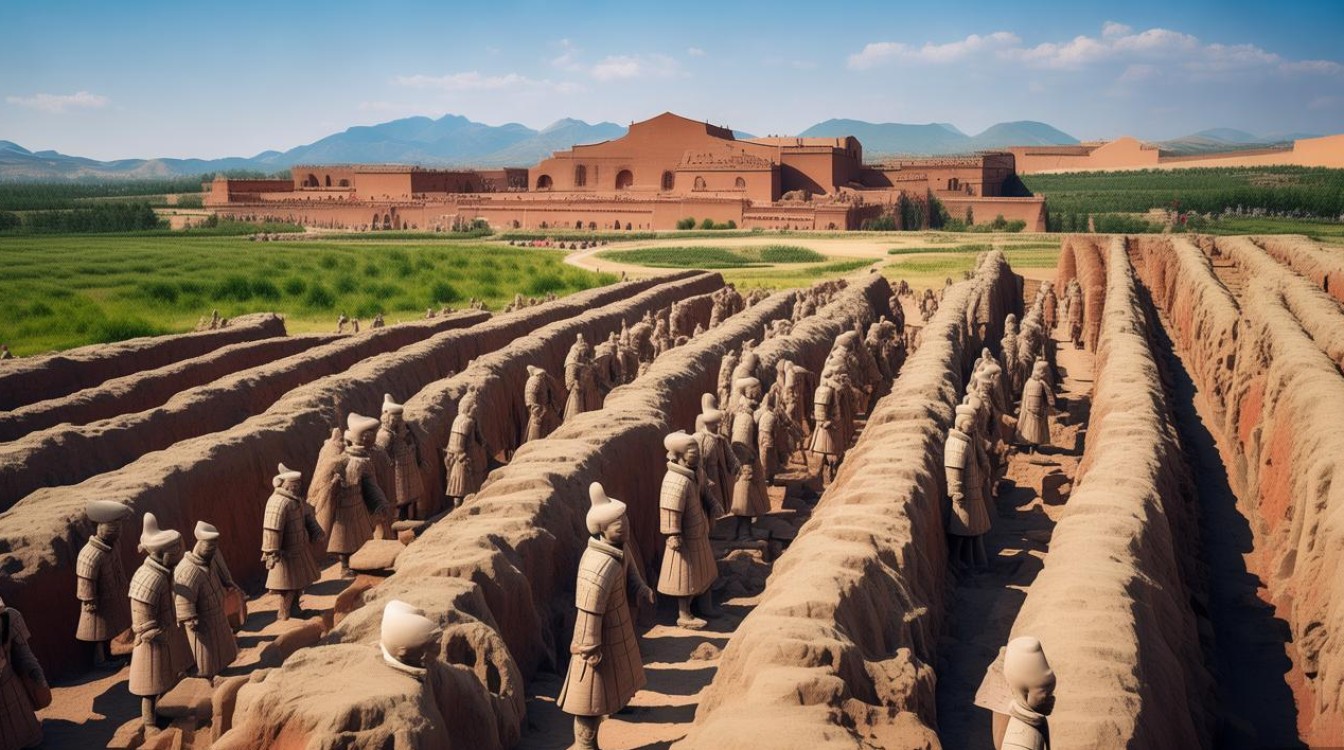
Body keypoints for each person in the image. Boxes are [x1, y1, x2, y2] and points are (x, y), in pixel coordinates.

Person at [557, 483, 651, 750]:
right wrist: (588, 646)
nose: (625, 527)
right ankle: (584, 744)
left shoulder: (620, 550)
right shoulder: (598, 564)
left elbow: (631, 574)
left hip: (616, 628)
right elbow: (589, 610)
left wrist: (641, 589)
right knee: (589, 696)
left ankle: (617, 706)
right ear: (602, 529)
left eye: (625, 521)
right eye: (619, 525)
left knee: (617, 678)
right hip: (595, 640)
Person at [129, 514, 192, 732]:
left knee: (166, 680)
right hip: (152, 642)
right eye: (174, 553)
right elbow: (142, 620)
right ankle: (149, 724)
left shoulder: (163, 574)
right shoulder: (149, 578)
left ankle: (164, 713)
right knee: (151, 686)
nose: (178, 557)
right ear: (162, 554)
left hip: (166, 636)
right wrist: (157, 634)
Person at [312, 413, 390, 576]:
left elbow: (369, 484)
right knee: (344, 539)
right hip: (343, 506)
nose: (373, 440)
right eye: (369, 437)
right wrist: (335, 484)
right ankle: (345, 566)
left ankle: (358, 563)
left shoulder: (364, 459)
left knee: (359, 536)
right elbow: (326, 482)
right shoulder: (340, 461)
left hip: (358, 503)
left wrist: (379, 502)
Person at [657, 432, 719, 629]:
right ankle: (684, 614)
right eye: (691, 453)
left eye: (696, 451)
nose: (696, 455)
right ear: (677, 455)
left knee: (706, 571)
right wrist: (673, 533)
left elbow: (705, 492)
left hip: (699, 532)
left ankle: (706, 606)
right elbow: (670, 509)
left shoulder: (697, 472)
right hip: (684, 538)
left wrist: (713, 504)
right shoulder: (674, 480)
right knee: (684, 576)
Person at [173, 522, 239, 678]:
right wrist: (189, 617)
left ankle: (222, 671)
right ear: (199, 544)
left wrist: (228, 584)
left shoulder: (209, 561)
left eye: (214, 546)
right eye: (209, 546)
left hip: (217, 614)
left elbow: (221, 575)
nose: (212, 549)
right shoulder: (188, 569)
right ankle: (207, 678)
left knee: (222, 652)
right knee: (206, 658)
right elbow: (184, 596)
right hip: (202, 623)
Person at [76, 500, 135, 667]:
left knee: (108, 630)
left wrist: (122, 584)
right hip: (96, 601)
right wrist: (89, 599)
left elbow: (118, 567)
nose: (118, 533)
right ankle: (99, 660)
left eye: (119, 529)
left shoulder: (114, 545)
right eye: (113, 529)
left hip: (111, 596)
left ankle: (108, 655)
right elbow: (85, 579)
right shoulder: (90, 554)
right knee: (96, 632)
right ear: (100, 528)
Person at [262, 463, 324, 621]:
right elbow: (272, 528)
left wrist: (316, 531)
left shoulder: (297, 501)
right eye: (293, 485)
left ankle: (295, 610)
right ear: (284, 484)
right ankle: (283, 613)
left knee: (299, 584)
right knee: (288, 586)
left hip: (300, 549)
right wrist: (271, 551)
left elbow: (308, 517)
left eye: (298, 485)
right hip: (285, 554)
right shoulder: (278, 502)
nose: (297, 488)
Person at [0, 594, 47, 750]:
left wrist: (37, 679)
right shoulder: (10, 617)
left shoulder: (9, 618)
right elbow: (26, 660)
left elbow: (26, 660)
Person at [377, 394, 424, 521]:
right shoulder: (384, 436)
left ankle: (410, 519)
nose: (399, 422)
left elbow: (414, 442)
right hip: (396, 472)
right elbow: (381, 456)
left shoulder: (402, 430)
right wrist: (389, 464)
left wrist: (418, 458)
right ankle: (399, 522)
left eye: (399, 418)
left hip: (407, 469)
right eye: (395, 419)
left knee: (409, 498)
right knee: (399, 500)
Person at [1015, 360, 1054, 452]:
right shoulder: (1041, 384)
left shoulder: (1029, 382)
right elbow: (1049, 399)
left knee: (1030, 428)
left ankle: (1031, 445)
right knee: (1036, 429)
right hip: (1037, 410)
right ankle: (1033, 446)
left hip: (1029, 410)